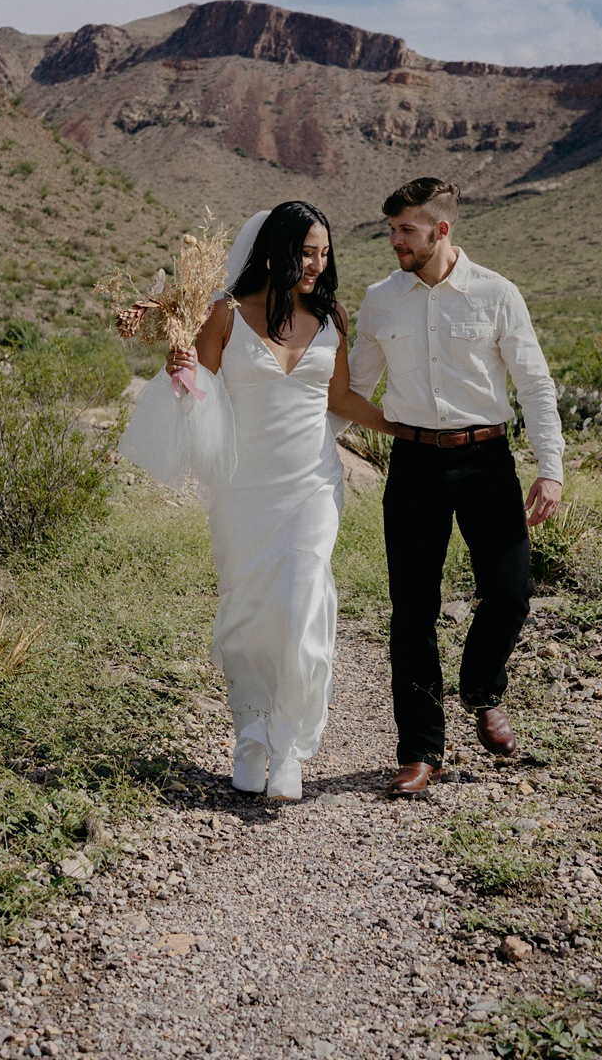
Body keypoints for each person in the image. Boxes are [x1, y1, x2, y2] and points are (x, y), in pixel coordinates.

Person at [155, 202, 394, 802]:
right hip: (242, 488)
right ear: (273, 252)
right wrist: (179, 370)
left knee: (301, 603)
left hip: (312, 484)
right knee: (249, 612)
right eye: (304, 252)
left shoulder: (331, 318)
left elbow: (341, 399)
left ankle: (288, 744)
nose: (315, 264)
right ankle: (250, 736)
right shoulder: (226, 316)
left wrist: (412, 429)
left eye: (323, 252)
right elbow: (197, 398)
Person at [348, 177, 564, 795]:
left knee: (511, 592)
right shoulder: (380, 299)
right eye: (392, 230)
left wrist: (550, 468)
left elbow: (535, 384)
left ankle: (481, 688)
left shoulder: (497, 294)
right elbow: (354, 388)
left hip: (487, 461)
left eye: (405, 231)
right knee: (411, 611)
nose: (395, 241)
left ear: (441, 231)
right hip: (413, 468)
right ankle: (420, 750)